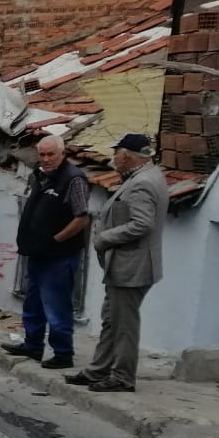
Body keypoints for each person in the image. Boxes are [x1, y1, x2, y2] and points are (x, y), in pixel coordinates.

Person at [66, 133, 169, 393]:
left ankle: (122, 377)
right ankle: (98, 370)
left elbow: (142, 224)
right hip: (126, 265)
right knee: (111, 320)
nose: (114, 159)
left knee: (124, 325)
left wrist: (104, 238)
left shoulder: (143, 183)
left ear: (126, 155)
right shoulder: (144, 177)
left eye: (116, 154)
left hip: (132, 266)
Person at [2, 134, 90, 368]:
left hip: (59, 256)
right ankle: (33, 345)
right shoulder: (40, 176)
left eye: (51, 154)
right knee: (33, 303)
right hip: (38, 253)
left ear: (63, 154)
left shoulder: (73, 179)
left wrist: (56, 240)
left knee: (56, 305)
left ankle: (63, 354)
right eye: (42, 154)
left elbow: (81, 219)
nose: (46, 159)